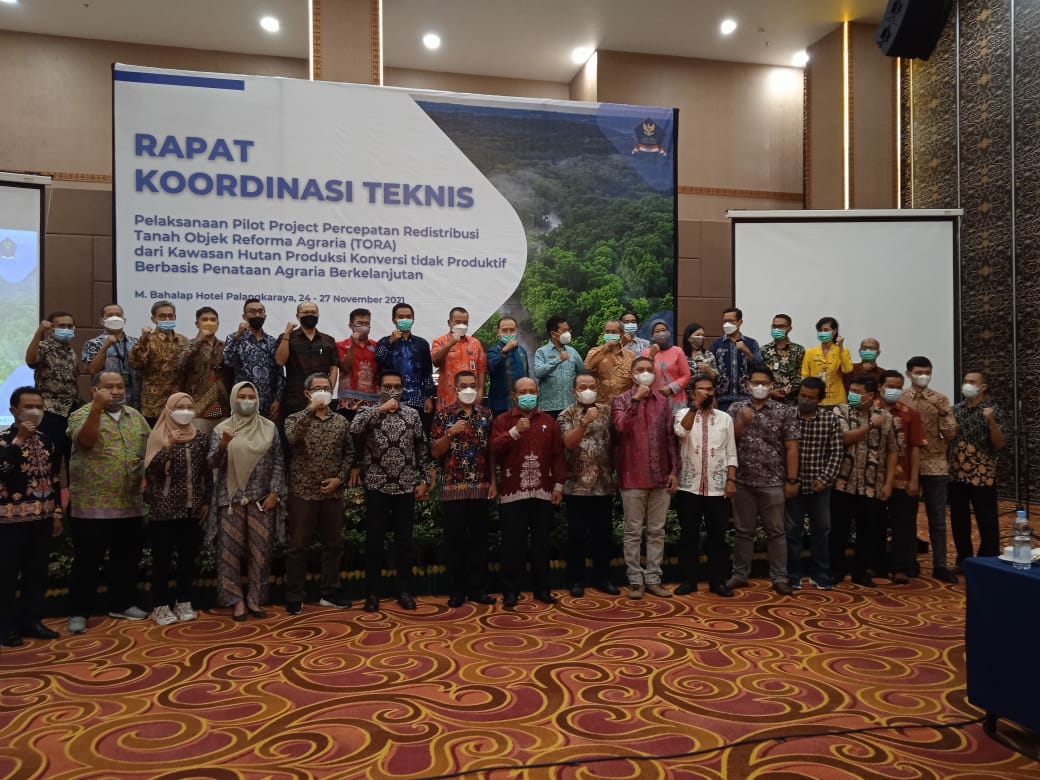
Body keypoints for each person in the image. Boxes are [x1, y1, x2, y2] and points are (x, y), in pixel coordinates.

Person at [65, 372, 151, 634]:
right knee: (87, 562)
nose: (116, 391)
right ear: (95, 390)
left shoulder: (135, 417)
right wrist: (97, 409)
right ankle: (80, 612)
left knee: (126, 559)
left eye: (120, 387)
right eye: (109, 387)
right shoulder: (81, 414)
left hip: (129, 502)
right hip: (92, 505)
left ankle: (122, 604)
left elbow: (151, 449)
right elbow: (86, 440)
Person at [351, 370, 432, 612]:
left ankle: (404, 591)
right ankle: (372, 594)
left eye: (397, 386)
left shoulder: (412, 414)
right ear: (379, 387)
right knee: (375, 543)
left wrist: (426, 479)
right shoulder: (367, 412)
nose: (393, 390)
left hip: (405, 486)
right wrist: (381, 409)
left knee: (404, 543)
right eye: (388, 386)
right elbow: (353, 430)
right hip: (377, 485)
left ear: (403, 388)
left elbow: (422, 450)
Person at [209, 381, 286, 621]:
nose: (246, 400)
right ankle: (236, 601)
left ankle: (255, 598)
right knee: (228, 553)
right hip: (230, 499)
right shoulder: (221, 428)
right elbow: (211, 464)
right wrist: (223, 444)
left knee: (260, 552)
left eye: (251, 396)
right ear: (233, 399)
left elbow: (278, 461)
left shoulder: (269, 427)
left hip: (262, 500)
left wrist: (275, 491)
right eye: (241, 396)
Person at [489, 377, 565, 607]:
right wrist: (513, 432)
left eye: (532, 391)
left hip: (543, 491)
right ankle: (511, 590)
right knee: (513, 544)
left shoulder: (548, 421)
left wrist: (559, 485)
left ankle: (542, 588)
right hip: (512, 491)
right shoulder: (503, 420)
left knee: (541, 543)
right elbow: (492, 449)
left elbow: (558, 455)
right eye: (523, 391)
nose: (528, 395)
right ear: (514, 395)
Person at [283, 373, 354, 615]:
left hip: (332, 494)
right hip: (303, 492)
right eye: (318, 388)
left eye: (327, 387)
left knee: (334, 545)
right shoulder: (294, 418)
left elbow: (349, 454)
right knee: (298, 546)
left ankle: (329, 593)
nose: (323, 391)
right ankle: (294, 596)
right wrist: (310, 410)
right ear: (307, 393)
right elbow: (292, 438)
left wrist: (340, 479)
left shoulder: (341, 422)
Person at [726, 365, 800, 596]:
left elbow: (791, 447)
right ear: (747, 384)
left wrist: (791, 479)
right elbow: (726, 442)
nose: (759, 387)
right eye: (755, 382)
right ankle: (740, 574)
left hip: (774, 481)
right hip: (742, 481)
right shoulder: (736, 408)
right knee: (743, 530)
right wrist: (741, 422)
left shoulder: (784, 411)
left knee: (776, 531)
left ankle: (779, 577)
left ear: (772, 386)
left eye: (764, 383)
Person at [612, 356, 679, 599]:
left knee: (657, 531)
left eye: (649, 370)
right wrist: (636, 399)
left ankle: (653, 577)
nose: (645, 373)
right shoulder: (620, 400)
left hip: (661, 476)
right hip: (632, 475)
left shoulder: (663, 401)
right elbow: (621, 428)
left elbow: (671, 439)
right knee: (632, 531)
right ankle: (634, 579)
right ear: (632, 374)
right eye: (640, 370)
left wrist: (674, 471)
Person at [0, 387, 62, 646]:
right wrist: (19, 440)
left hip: (42, 519)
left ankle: (32, 620)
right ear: (14, 410)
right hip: (8, 522)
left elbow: (55, 477)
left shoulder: (47, 440)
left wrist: (57, 512)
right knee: (6, 576)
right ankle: (7, 627)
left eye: (39, 406)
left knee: (35, 573)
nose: (34, 411)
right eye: (28, 406)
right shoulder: (4, 439)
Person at [143, 392, 212, 626]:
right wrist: (169, 447)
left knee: (187, 560)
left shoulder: (200, 438)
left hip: (191, 510)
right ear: (169, 410)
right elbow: (153, 474)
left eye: (189, 406)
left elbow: (206, 472)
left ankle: (184, 601)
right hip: (163, 511)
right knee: (162, 561)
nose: (184, 411)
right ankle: (160, 606)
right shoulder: (158, 436)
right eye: (179, 407)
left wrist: (206, 501)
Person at [430, 370, 496, 607]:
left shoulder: (486, 414)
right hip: (452, 489)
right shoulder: (443, 415)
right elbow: (435, 451)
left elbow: (491, 452)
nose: (468, 389)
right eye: (463, 385)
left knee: (479, 542)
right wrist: (450, 432)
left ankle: (478, 589)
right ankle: (457, 590)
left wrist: (494, 482)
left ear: (479, 388)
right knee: (454, 542)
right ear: (455, 388)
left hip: (480, 487)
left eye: (473, 385)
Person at [830, 375, 898, 586]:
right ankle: (836, 571)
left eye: (858, 392)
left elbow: (892, 451)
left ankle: (861, 572)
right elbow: (845, 438)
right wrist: (869, 426)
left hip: (872, 485)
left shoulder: (885, 417)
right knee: (838, 530)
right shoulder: (840, 411)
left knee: (868, 531)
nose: (853, 395)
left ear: (871, 395)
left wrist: (888, 483)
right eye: (852, 390)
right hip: (842, 482)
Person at [673, 373, 736, 597]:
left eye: (709, 389)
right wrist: (695, 407)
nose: (706, 393)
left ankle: (717, 582)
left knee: (718, 536)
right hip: (688, 486)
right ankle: (689, 581)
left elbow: (731, 452)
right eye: (701, 389)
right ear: (692, 393)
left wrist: (731, 480)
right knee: (689, 535)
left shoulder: (724, 418)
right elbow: (681, 431)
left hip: (717, 487)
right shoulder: (683, 414)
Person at [557, 373, 618, 598]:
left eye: (592, 386)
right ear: (574, 391)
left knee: (603, 535)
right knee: (577, 536)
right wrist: (584, 422)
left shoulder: (609, 411)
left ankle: (603, 578)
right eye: (583, 386)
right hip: (576, 486)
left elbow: (616, 445)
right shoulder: (566, 415)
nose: (588, 390)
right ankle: (576, 580)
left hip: (604, 484)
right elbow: (568, 443)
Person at [902, 356, 959, 583]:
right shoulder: (902, 398)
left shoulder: (941, 399)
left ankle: (940, 564)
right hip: (907, 465)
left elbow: (950, 435)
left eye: (927, 372)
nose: (922, 376)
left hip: (935, 463)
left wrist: (943, 414)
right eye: (918, 372)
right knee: (907, 516)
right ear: (908, 374)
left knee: (937, 516)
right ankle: (909, 560)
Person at [785, 377, 843, 591]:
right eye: (802, 396)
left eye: (810, 398)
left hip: (819, 486)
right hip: (793, 486)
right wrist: (788, 480)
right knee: (792, 532)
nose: (805, 400)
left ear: (820, 399)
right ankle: (793, 575)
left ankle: (820, 574)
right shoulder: (788, 416)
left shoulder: (830, 420)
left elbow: (836, 452)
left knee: (822, 531)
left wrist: (825, 479)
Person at [948, 370, 1007, 567]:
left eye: (972, 382)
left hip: (982, 474)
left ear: (983, 387)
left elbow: (999, 444)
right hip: (956, 473)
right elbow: (945, 438)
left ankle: (987, 561)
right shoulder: (955, 410)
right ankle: (963, 559)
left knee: (987, 518)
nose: (967, 385)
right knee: (959, 519)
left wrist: (990, 421)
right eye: (965, 381)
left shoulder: (994, 410)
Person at [877, 370, 925, 583]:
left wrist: (914, 479)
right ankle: (876, 565)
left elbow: (915, 448)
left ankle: (900, 567)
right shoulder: (870, 411)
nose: (894, 390)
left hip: (904, 477)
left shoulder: (910, 413)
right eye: (890, 386)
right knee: (874, 524)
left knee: (903, 525)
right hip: (875, 478)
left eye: (898, 386)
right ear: (880, 387)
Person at [25, 311, 79, 467]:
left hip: (71, 411)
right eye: (62, 326)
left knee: (72, 459)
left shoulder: (69, 349)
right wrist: (39, 332)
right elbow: (30, 361)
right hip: (50, 412)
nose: (66, 329)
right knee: (51, 458)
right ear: (51, 328)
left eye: (69, 326)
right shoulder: (44, 346)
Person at [375, 302, 436, 430]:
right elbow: (378, 360)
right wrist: (390, 342)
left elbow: (427, 372)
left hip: (416, 399)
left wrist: (429, 396)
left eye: (408, 317)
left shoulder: (422, 344)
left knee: (416, 435)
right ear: (393, 320)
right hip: (391, 399)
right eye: (401, 317)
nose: (405, 320)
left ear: (413, 319)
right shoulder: (384, 341)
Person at [275, 302, 340, 419]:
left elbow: (334, 367)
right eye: (305, 312)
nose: (310, 315)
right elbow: (280, 361)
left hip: (320, 397)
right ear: (297, 316)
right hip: (294, 397)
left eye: (313, 312)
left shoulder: (328, 340)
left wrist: (329, 391)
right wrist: (287, 333)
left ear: (318, 315)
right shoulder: (288, 337)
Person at [222, 299, 284, 419]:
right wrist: (238, 337)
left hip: (268, 403)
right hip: (243, 402)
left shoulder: (271, 341)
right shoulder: (234, 338)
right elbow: (228, 361)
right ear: (244, 316)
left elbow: (279, 372)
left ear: (265, 316)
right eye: (252, 311)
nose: (257, 315)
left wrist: (278, 400)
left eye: (261, 311)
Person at [129, 300, 188, 424]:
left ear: (175, 317)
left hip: (178, 404)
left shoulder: (183, 340)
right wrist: (143, 339)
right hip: (154, 405)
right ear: (154, 319)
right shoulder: (148, 340)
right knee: (156, 442)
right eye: (162, 316)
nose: (167, 318)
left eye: (170, 315)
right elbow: (135, 363)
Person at [177, 306, 229, 436]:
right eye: (204, 320)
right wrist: (200, 340)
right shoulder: (189, 344)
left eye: (213, 320)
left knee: (221, 449)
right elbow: (179, 365)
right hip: (199, 409)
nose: (209, 323)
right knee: (199, 448)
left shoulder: (225, 346)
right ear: (197, 323)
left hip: (223, 407)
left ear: (218, 323)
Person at [82, 303, 142, 411]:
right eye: (110, 315)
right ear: (102, 321)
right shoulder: (93, 343)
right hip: (107, 402)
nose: (115, 318)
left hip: (135, 401)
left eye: (118, 315)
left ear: (124, 320)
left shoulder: (135, 343)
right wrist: (105, 346)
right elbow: (92, 370)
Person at [431, 306, 487, 407]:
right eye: (458, 322)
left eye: (465, 322)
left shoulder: (475, 343)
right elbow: (435, 361)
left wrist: (480, 391)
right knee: (448, 422)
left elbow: (481, 369)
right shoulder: (439, 341)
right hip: (448, 397)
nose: (461, 325)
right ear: (449, 323)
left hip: (471, 396)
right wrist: (449, 344)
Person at [711, 307, 762, 411]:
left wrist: (746, 351)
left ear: (739, 322)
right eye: (725, 321)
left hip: (746, 398)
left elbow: (760, 366)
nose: (727, 324)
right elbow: (712, 371)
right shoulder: (717, 344)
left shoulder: (751, 343)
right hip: (722, 399)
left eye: (730, 321)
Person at [533, 315, 584, 418]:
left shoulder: (572, 351)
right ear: (553, 334)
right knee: (549, 433)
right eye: (564, 331)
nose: (568, 333)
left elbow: (582, 371)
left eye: (568, 330)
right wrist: (558, 360)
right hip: (549, 407)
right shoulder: (541, 352)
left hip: (570, 405)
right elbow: (538, 372)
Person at [336, 307, 379, 418]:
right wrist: (353, 346)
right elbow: (345, 367)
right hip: (348, 399)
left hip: (372, 400)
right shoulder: (340, 345)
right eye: (360, 323)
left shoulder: (376, 346)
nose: (364, 326)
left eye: (366, 323)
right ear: (351, 325)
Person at [800, 316, 852, 408]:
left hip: (837, 399)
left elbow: (847, 370)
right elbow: (805, 375)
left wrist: (841, 347)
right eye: (820, 330)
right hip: (816, 399)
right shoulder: (810, 352)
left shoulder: (842, 351)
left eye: (826, 330)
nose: (822, 333)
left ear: (834, 331)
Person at [642, 318, 691, 412]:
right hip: (654, 400)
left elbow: (686, 375)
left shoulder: (677, 351)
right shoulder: (646, 353)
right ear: (652, 336)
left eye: (664, 330)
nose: (661, 333)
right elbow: (644, 376)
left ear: (669, 332)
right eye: (657, 331)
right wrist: (651, 356)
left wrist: (671, 388)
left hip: (676, 400)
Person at [485, 316, 529, 417]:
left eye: (512, 330)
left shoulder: (522, 351)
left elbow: (527, 375)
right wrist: (504, 351)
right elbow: (492, 368)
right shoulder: (493, 350)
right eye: (504, 330)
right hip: (501, 405)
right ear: (498, 332)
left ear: (516, 331)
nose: (508, 333)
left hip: (521, 403)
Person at [583, 319, 632, 405]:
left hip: (624, 406)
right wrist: (605, 349)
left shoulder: (630, 356)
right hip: (602, 407)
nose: (610, 334)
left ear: (621, 334)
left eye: (613, 332)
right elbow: (588, 368)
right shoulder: (594, 352)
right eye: (607, 332)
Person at [761, 314, 805, 405]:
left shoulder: (798, 350)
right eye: (774, 326)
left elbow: (801, 375)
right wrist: (770, 391)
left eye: (780, 326)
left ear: (789, 328)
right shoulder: (764, 350)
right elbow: (760, 374)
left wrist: (785, 391)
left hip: (792, 400)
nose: (776, 329)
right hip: (768, 400)